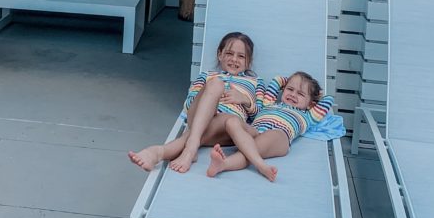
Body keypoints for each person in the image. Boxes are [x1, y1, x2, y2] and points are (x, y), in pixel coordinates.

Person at [128, 31, 258, 173]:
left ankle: (161, 151)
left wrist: (244, 99)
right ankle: (191, 146)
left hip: (227, 127)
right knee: (216, 84)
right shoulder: (207, 76)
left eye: (241, 56)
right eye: (229, 53)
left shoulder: (254, 82)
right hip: (198, 117)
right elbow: (190, 102)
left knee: (227, 121)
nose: (234, 59)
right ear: (220, 55)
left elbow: (259, 112)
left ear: (248, 61)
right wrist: (212, 96)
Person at [207, 71, 333, 183]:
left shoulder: (308, 115)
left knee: (263, 140)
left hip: (279, 136)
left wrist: (315, 93)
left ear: (311, 103)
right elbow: (276, 81)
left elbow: (328, 99)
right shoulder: (269, 104)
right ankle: (257, 163)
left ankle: (224, 164)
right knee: (232, 122)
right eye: (290, 89)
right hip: (256, 131)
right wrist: (286, 81)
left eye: (300, 93)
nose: (293, 94)